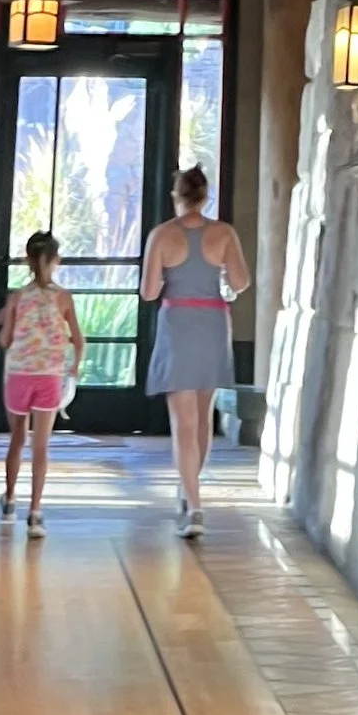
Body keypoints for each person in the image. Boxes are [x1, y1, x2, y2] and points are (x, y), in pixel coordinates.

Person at [139, 164, 247, 540]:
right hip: (213, 325)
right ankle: (191, 493)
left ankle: (194, 502)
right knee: (202, 418)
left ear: (177, 196)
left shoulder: (162, 235)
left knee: (182, 423)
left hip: (177, 326)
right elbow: (240, 281)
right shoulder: (224, 233)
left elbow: (150, 292)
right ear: (205, 196)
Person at [0, 231, 83, 537]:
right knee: (42, 447)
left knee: (17, 438)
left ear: (28, 261)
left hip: (19, 375)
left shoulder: (17, 297)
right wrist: (74, 365)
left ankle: (9, 499)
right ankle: (35, 513)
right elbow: (79, 340)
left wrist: (3, 323)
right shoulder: (64, 298)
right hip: (50, 376)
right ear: (56, 260)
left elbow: (5, 339)